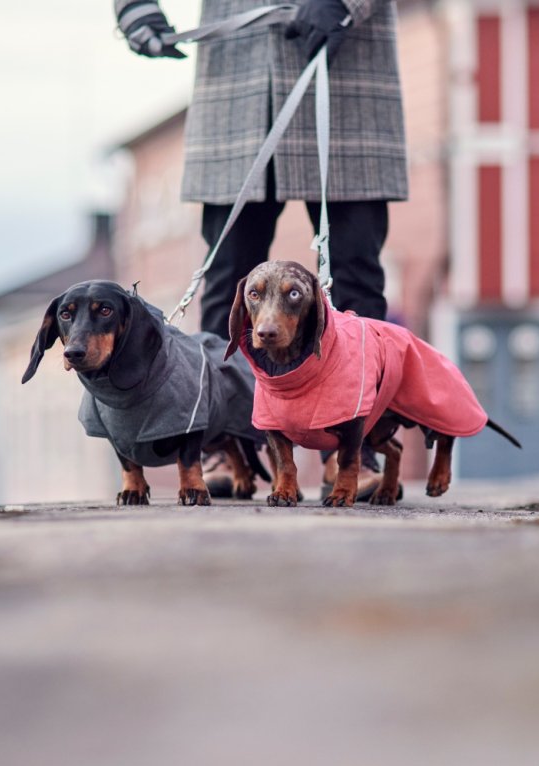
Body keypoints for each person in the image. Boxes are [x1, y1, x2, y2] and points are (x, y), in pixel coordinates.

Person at [114, 0, 408, 499]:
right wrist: (136, 10)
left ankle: (355, 450)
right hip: (238, 80)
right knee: (227, 282)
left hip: (345, 69)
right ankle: (221, 445)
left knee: (356, 277)